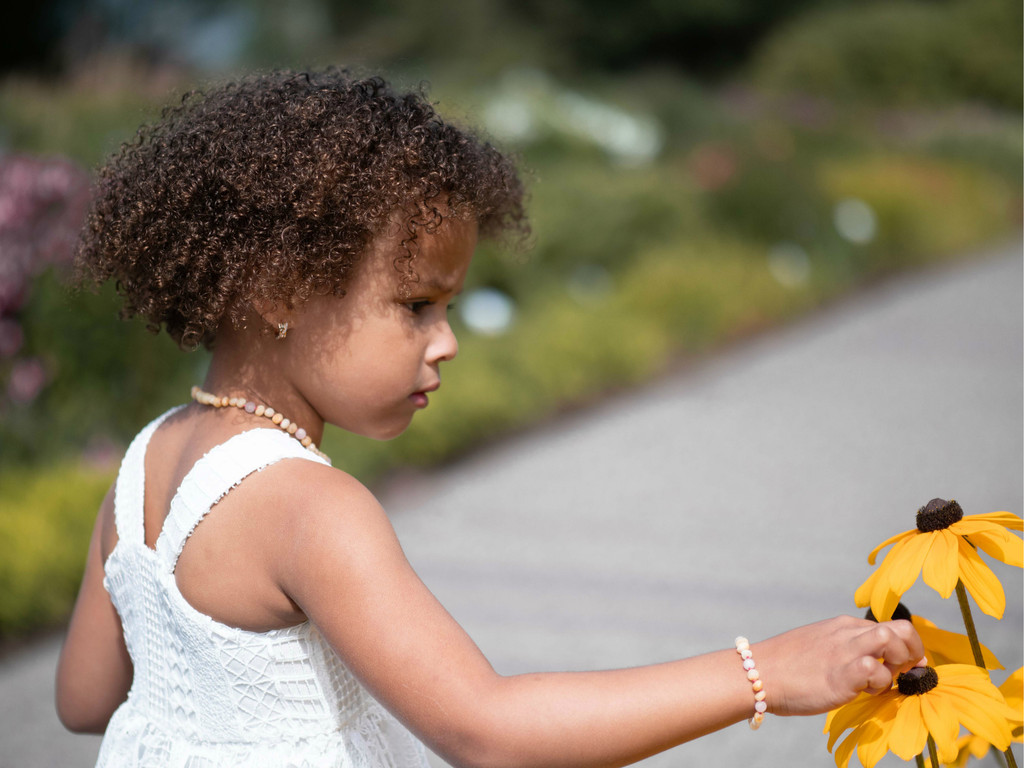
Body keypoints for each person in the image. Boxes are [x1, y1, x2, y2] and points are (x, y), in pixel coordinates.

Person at [55, 69, 924, 768]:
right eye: (417, 306)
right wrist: (764, 671)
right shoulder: (307, 508)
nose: (447, 344)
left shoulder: (142, 466)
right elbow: (489, 732)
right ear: (281, 289)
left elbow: (84, 700)